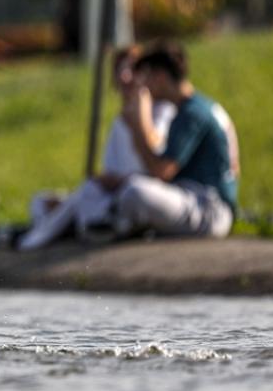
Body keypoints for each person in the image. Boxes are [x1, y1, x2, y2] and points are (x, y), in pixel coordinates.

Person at [15, 45, 174, 250]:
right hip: (111, 194)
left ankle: (35, 239)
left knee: (93, 195)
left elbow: (157, 158)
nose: (125, 76)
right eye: (120, 70)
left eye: (132, 69)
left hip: (139, 193)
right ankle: (59, 228)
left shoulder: (163, 111)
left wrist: (140, 112)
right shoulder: (119, 121)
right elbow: (110, 169)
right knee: (42, 201)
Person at [112, 42, 237, 238]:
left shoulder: (192, 113)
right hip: (204, 203)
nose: (142, 85)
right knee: (130, 191)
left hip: (210, 208)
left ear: (161, 77)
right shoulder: (198, 106)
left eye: (146, 77)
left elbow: (160, 172)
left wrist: (139, 122)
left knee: (134, 191)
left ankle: (122, 224)